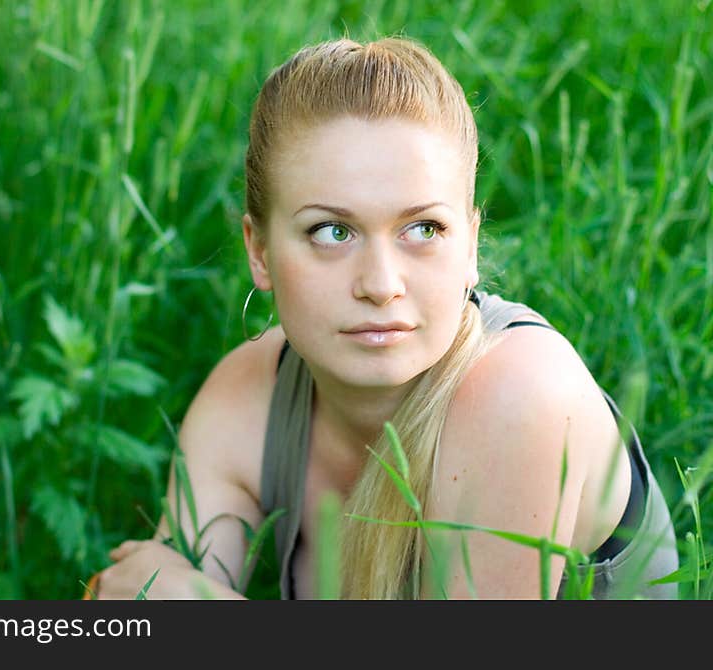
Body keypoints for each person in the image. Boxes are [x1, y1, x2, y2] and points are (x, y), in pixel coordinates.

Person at [93, 36, 679, 600]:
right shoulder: (246, 399)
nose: (380, 284)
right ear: (260, 251)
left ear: (471, 245)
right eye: (332, 231)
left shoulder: (519, 393)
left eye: (423, 229)